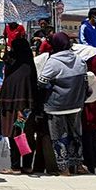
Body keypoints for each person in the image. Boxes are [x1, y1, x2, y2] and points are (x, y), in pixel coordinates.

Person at [38, 32, 89, 176]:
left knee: (59, 137)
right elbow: (85, 82)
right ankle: (78, 165)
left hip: (56, 106)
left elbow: (41, 82)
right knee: (76, 136)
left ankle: (64, 168)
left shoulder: (53, 61)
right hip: (76, 104)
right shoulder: (79, 60)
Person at [0, 37, 39, 176]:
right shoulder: (23, 64)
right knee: (19, 135)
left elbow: (23, 88)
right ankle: (24, 166)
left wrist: (21, 110)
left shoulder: (24, 67)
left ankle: (18, 167)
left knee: (19, 135)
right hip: (18, 106)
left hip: (19, 108)